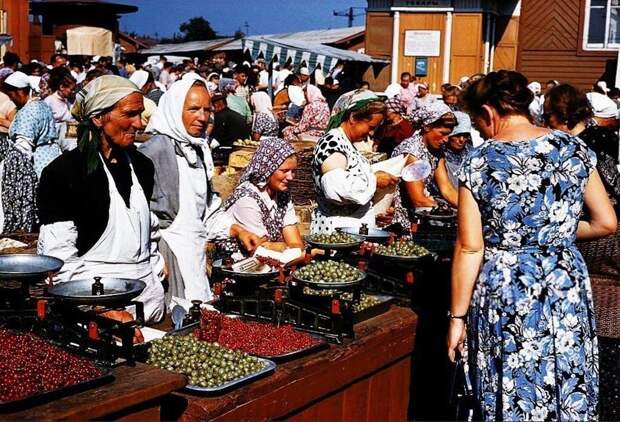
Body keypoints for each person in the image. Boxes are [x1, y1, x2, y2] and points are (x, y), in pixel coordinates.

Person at [447, 70, 617, 420]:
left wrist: (456, 318)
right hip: (564, 280)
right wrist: (553, 232)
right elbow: (606, 222)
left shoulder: (479, 162)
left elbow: (470, 248)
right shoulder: (573, 148)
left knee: (511, 380)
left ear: (489, 112)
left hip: (506, 286)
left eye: (477, 121)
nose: (478, 130)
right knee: (564, 375)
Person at [37, 75, 166, 327]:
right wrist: (99, 309)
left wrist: (157, 271)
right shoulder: (65, 173)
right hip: (95, 310)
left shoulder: (142, 167)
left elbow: (147, 234)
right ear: (98, 118)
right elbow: (59, 258)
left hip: (148, 305)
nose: (139, 124)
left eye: (140, 114)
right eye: (129, 114)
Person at [140, 75, 261, 304]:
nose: (202, 117)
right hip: (168, 257)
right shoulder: (155, 150)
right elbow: (138, 214)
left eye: (207, 110)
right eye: (193, 109)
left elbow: (205, 208)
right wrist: (154, 259)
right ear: (175, 108)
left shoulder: (197, 149)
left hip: (193, 254)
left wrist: (237, 230)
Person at [311, 89, 397, 233]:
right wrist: (375, 181)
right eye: (370, 127)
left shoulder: (347, 144)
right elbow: (335, 188)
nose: (371, 133)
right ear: (352, 117)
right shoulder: (333, 142)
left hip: (350, 230)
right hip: (337, 233)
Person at [545, 84, 620, 212]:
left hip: (594, 219)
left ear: (563, 115)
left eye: (547, 116)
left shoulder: (573, 147)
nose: (545, 123)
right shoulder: (604, 136)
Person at [223, 137, 303, 251]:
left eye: (293, 171)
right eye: (284, 171)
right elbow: (257, 249)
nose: (290, 177)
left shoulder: (282, 196)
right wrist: (285, 245)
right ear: (267, 169)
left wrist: (277, 246)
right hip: (240, 263)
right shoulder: (247, 199)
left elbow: (297, 244)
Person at [391, 102, 456, 231]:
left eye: (448, 134)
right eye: (442, 133)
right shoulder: (412, 153)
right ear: (427, 127)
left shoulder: (436, 151)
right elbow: (418, 200)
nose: (446, 140)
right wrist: (451, 211)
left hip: (420, 217)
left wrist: (470, 208)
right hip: (402, 223)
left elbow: (447, 189)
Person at [4, 71, 60, 177]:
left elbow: (23, 148)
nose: (11, 99)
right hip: (53, 158)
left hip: (38, 165)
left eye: (11, 95)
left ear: (20, 91)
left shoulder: (29, 111)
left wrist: (15, 175)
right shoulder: (42, 105)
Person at [434, 111, 473, 207]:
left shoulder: (473, 154)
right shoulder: (438, 154)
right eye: (457, 135)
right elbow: (446, 190)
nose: (461, 140)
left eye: (465, 135)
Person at [43, 67, 76, 152]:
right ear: (62, 87)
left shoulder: (69, 101)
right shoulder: (50, 101)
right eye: (71, 89)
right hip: (56, 136)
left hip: (70, 134)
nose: (73, 92)